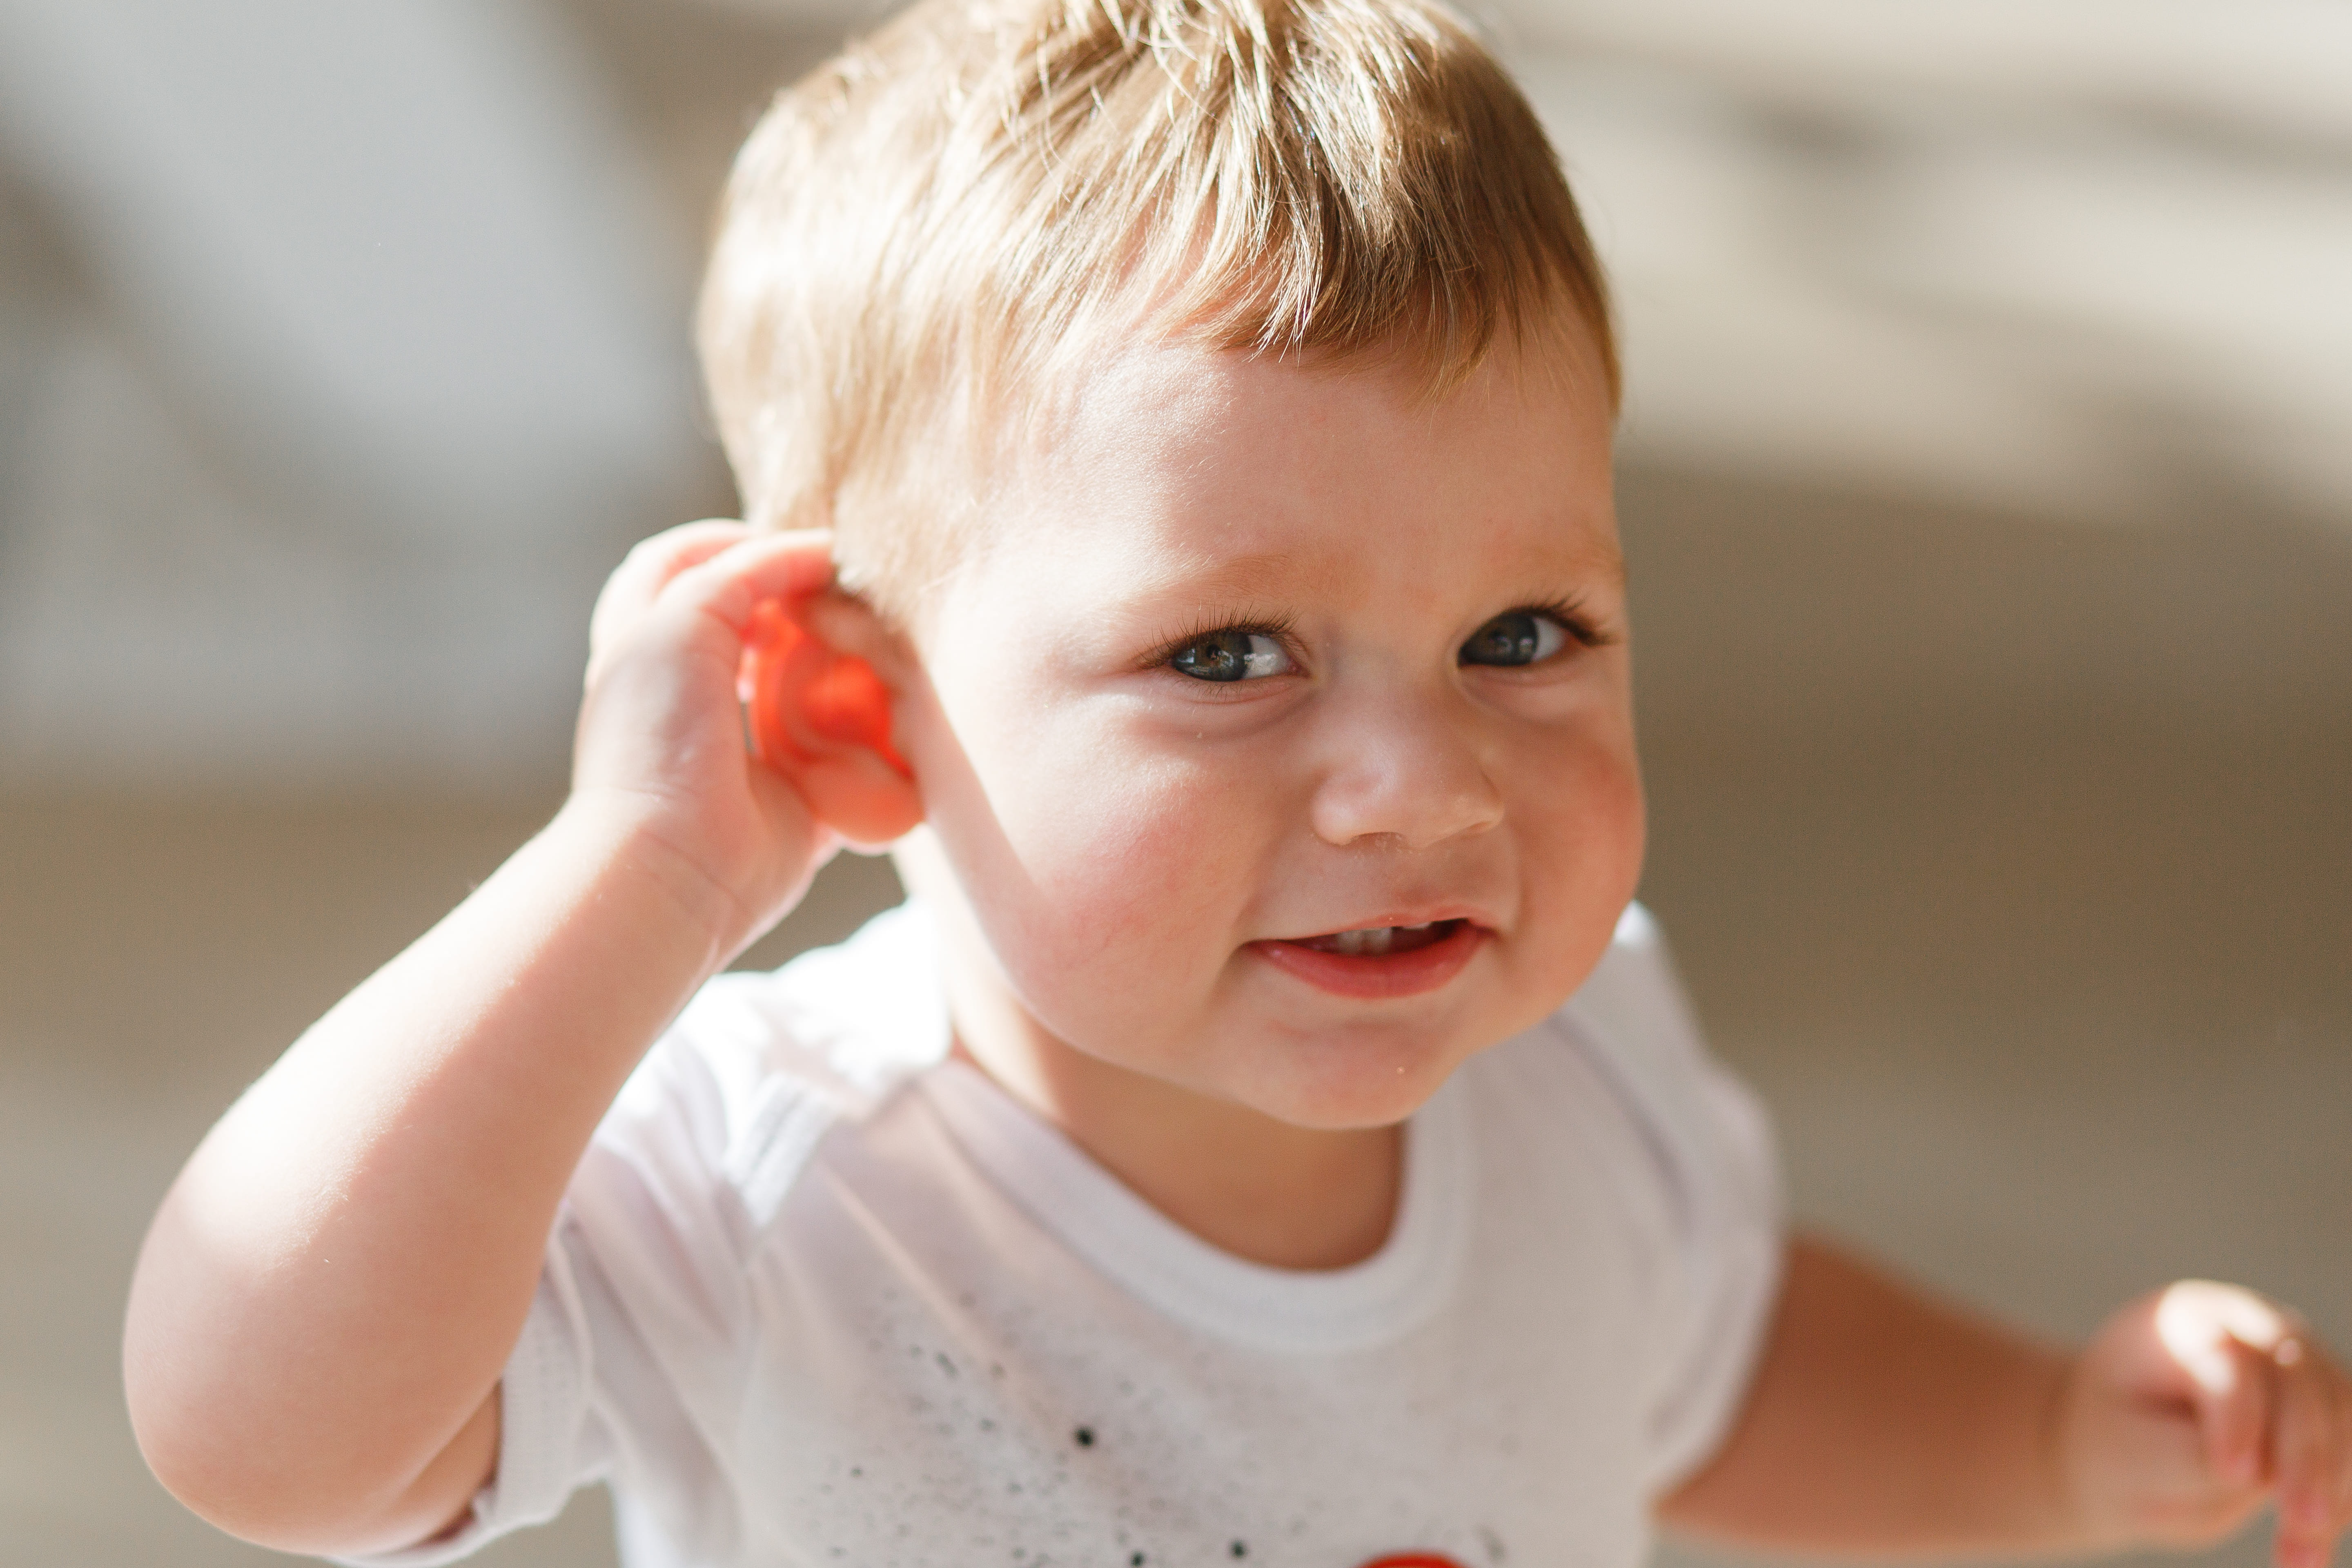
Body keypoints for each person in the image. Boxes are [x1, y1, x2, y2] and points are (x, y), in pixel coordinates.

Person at [122, 0, 2352, 1564]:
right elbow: (263, 1433)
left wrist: (2053, 1439)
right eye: (1225, 656)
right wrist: (636, 873)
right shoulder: (771, 1182)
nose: (1417, 782)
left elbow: (1714, 1344)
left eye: (1523, 637)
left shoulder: (1573, 1067)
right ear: (863, 716)